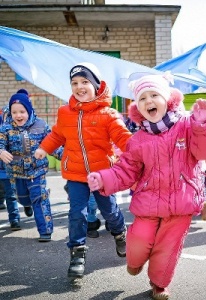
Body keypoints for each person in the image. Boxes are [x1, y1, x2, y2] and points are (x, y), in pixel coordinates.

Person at [87, 73, 206, 299]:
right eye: (142, 98)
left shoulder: (187, 126)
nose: (148, 101)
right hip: (148, 201)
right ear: (137, 108)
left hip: (181, 202)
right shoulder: (138, 140)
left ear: (167, 99)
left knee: (168, 248)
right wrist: (104, 178)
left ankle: (159, 284)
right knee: (138, 240)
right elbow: (126, 170)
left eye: (154, 95)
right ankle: (135, 261)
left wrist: (203, 125)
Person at [34, 62, 132, 279]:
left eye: (85, 82)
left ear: (96, 85)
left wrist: (139, 154)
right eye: (74, 83)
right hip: (76, 174)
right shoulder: (65, 112)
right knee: (77, 214)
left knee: (110, 210)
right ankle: (77, 253)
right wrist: (44, 148)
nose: (79, 86)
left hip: (103, 174)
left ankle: (119, 233)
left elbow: (124, 138)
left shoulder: (108, 114)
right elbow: (57, 135)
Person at [0, 89, 62, 241]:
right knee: (22, 199)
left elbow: (52, 144)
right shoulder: (6, 128)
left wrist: (66, 157)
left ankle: (45, 231)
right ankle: (26, 204)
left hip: (37, 170)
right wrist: (1, 151)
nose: (18, 115)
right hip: (16, 172)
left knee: (39, 199)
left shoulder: (40, 125)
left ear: (28, 110)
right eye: (14, 112)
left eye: (22, 111)